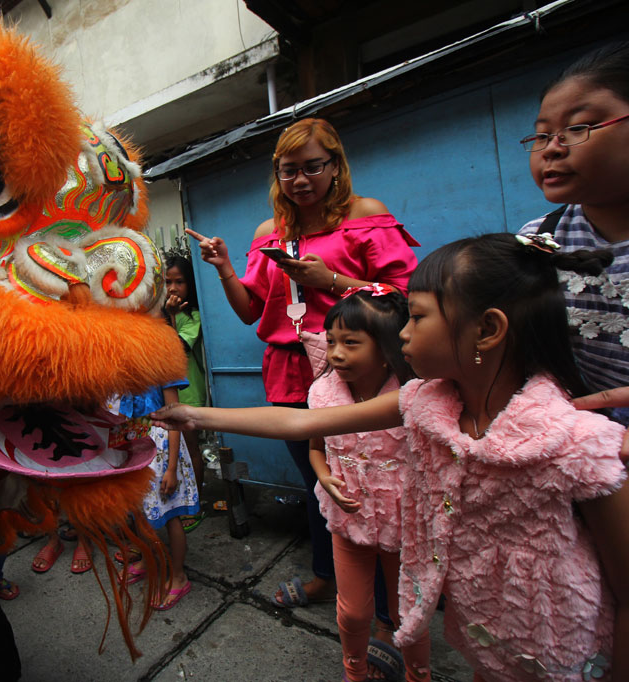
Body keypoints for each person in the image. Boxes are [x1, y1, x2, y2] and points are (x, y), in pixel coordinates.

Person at [153, 232, 629, 681]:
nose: (402, 334)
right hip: (486, 643)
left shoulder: (579, 446)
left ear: (486, 330)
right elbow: (301, 423)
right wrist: (196, 415)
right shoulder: (426, 402)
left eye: (417, 317)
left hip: (567, 655)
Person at [187, 117, 418, 611]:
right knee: (319, 483)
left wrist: (330, 279)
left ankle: (387, 599)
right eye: (289, 170)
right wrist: (226, 267)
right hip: (289, 371)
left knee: (369, 482)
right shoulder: (270, 231)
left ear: (335, 165)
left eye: (313, 167)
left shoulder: (365, 215)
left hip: (360, 372)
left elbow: (404, 297)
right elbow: (252, 311)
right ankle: (327, 576)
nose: (301, 180)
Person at [308, 286, 429, 681]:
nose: (336, 353)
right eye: (331, 342)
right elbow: (315, 449)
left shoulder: (415, 396)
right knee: (353, 610)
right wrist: (327, 480)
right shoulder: (322, 394)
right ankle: (354, 671)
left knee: (406, 613)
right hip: (348, 522)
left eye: (351, 342)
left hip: (407, 525)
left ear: (387, 347)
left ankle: (418, 674)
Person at [515, 42, 629, 441]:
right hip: (593, 452)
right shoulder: (539, 240)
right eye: (541, 135)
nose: (552, 148)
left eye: (578, 127)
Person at [112, 379, 199, 610]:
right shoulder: (126, 367)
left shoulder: (164, 368)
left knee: (171, 514)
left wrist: (171, 469)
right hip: (134, 442)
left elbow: (175, 418)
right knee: (138, 509)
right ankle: (145, 559)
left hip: (161, 448)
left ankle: (179, 576)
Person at [163, 254, 208, 532]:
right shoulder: (162, 312)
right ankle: (181, 500)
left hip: (189, 390)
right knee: (171, 452)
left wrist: (171, 316)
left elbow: (173, 347)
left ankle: (198, 503)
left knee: (191, 450)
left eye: (179, 282)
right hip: (167, 391)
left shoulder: (192, 315)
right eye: (168, 282)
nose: (173, 288)